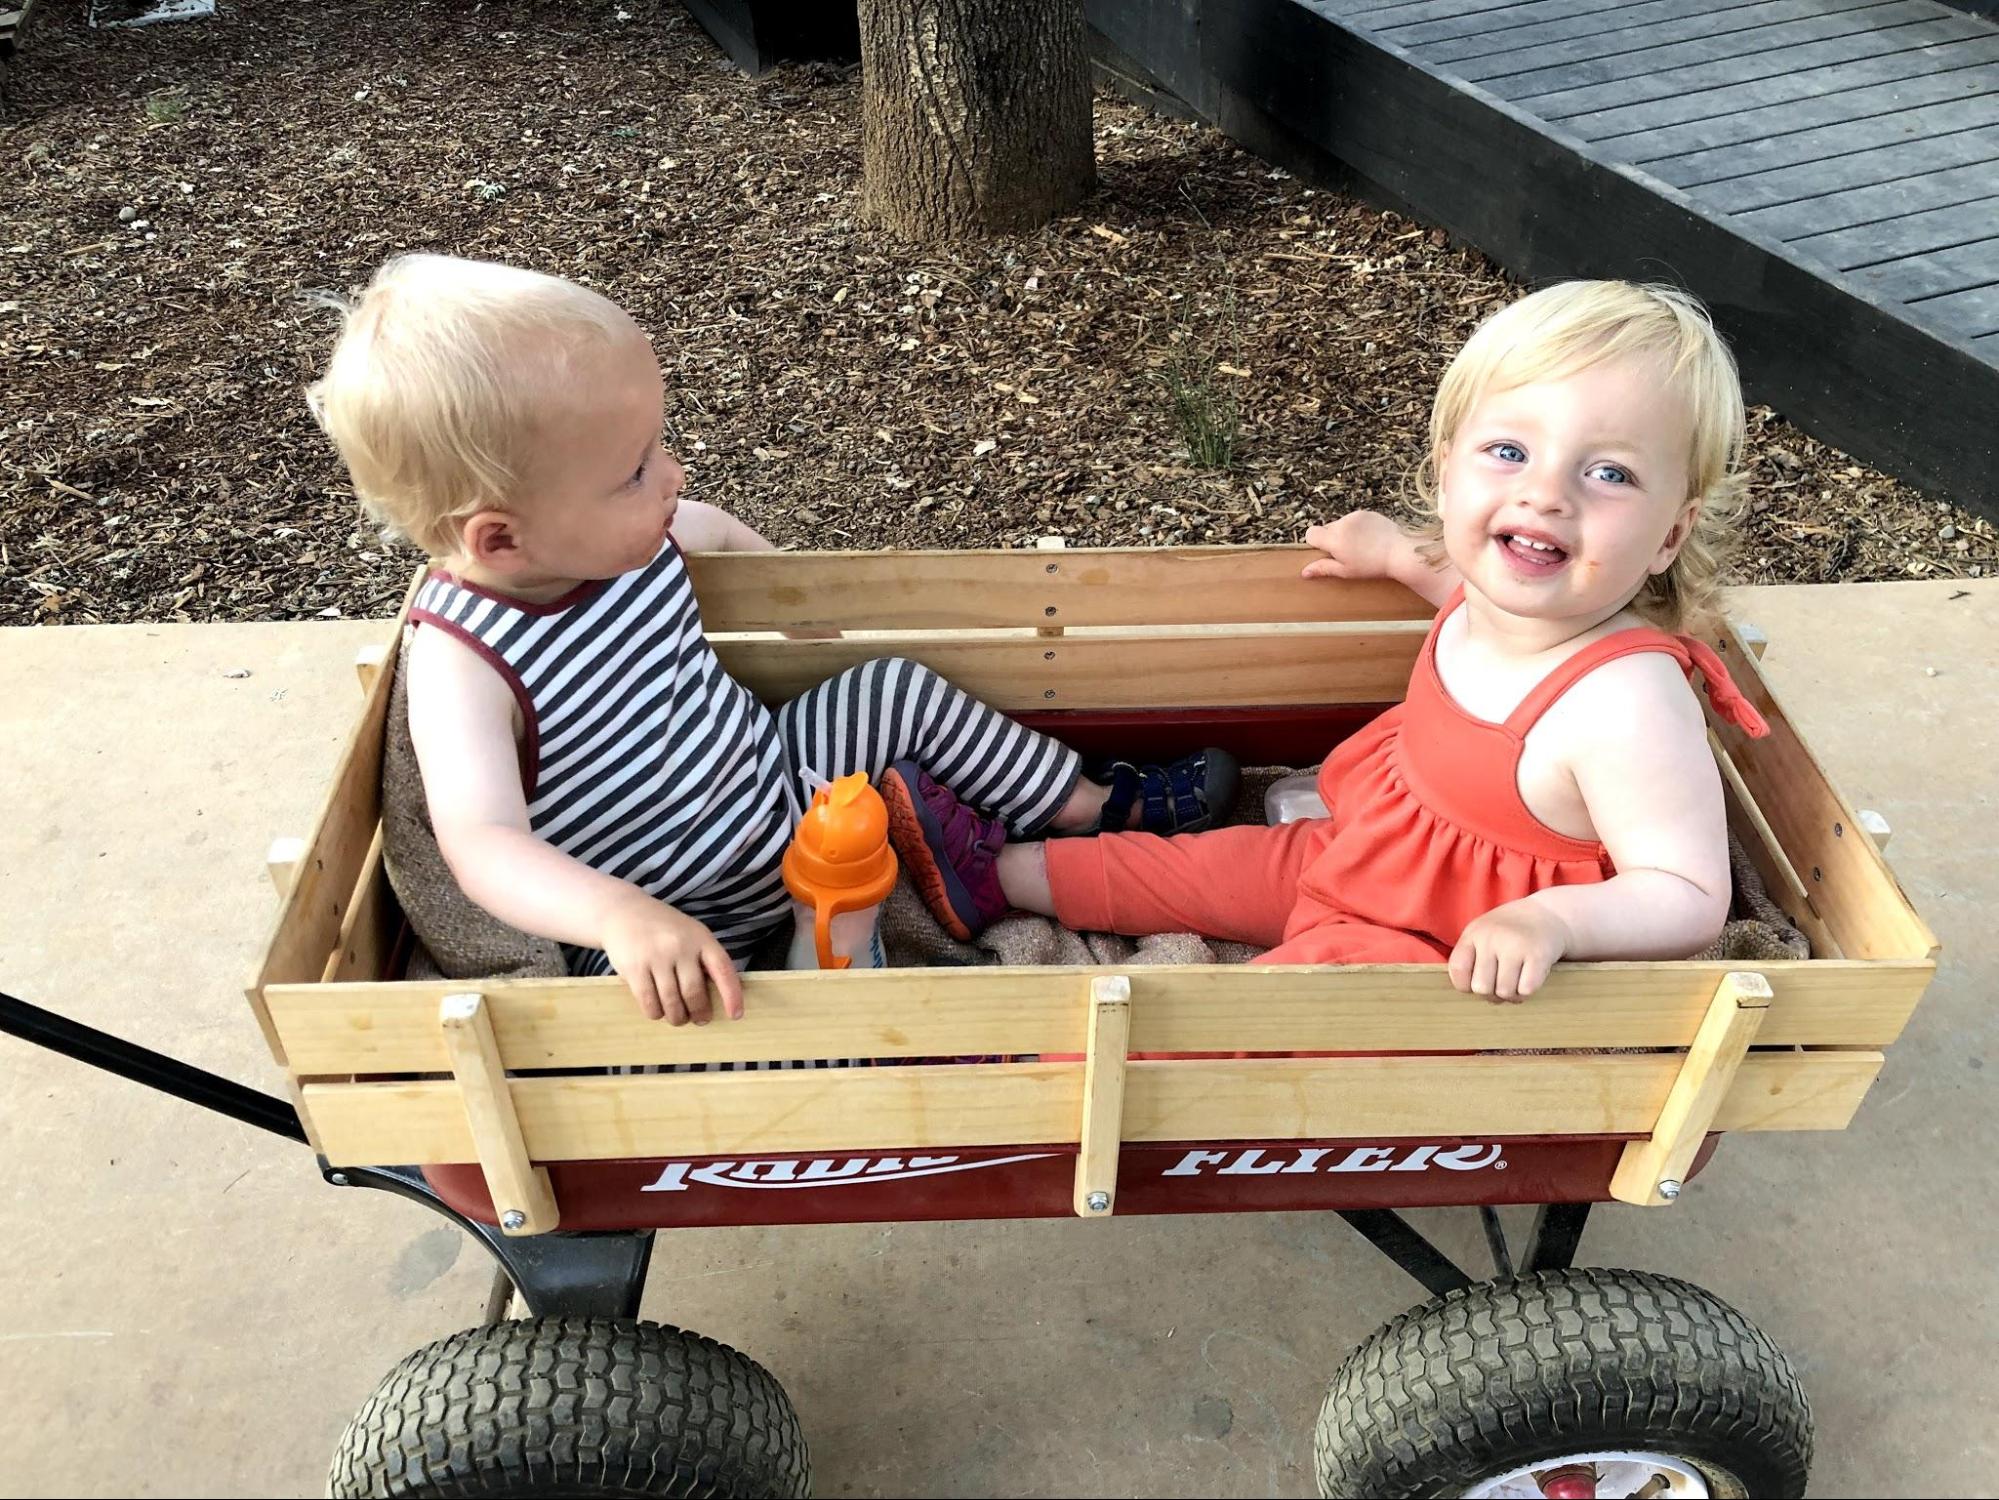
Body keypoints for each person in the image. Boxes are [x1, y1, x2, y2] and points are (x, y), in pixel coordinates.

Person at [307, 255, 1235, 1024]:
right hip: (667, 910)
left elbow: (713, 532)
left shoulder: (627, 540)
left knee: (891, 688)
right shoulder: (463, 662)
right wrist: (620, 918)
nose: (670, 477)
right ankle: (819, 965)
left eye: (657, 447)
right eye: (633, 473)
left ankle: (1076, 807)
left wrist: (800, 613)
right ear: (499, 539)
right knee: (645, 1016)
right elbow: (484, 843)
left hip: (783, 790)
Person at [889, 280, 1770, 1002]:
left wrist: (1551, 924)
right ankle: (997, 875)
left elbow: (1689, 893)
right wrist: (1391, 551)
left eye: (1609, 473)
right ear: (1445, 468)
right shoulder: (1505, 597)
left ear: (1668, 536)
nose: (1546, 495)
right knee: (1194, 869)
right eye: (1508, 452)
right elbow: (1454, 588)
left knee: (1261, 1008)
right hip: (1360, 849)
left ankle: (1052, 1059)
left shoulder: (1625, 701)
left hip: (1437, 945)